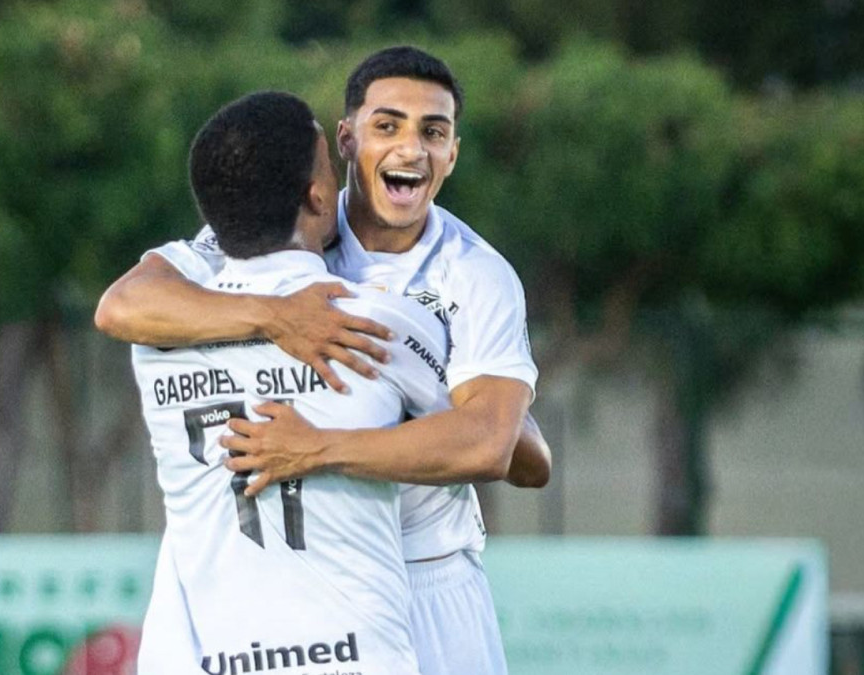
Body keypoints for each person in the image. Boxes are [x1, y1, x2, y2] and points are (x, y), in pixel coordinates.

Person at [97, 47, 550, 674]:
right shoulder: (282, 216)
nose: (411, 149)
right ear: (346, 139)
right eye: (387, 125)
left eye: (433, 132)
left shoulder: (473, 275)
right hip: (274, 578)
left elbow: (505, 451)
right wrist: (274, 316)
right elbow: (123, 305)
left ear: (452, 153)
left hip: (424, 572)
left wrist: (319, 446)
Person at [132, 90, 453, 674]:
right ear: (317, 195)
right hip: (358, 659)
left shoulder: (155, 338)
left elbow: (123, 301)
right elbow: (476, 438)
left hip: (218, 660)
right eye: (331, 166)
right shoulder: (380, 321)